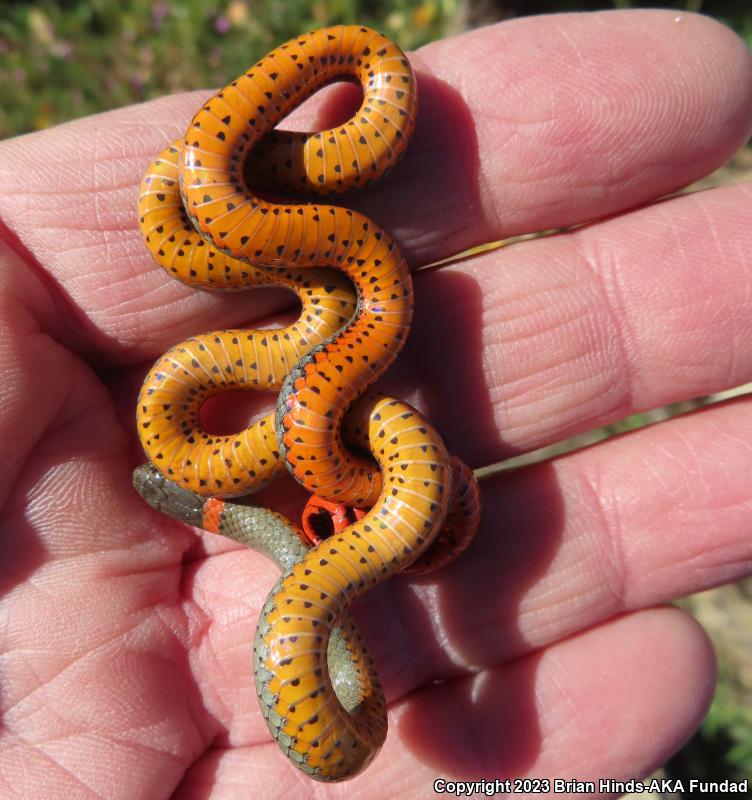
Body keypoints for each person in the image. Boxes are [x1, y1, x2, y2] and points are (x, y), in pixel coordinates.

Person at [0, 9, 750, 797]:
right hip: (346, 430)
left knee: (225, 210)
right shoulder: (233, 263)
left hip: (349, 423)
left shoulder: (276, 260)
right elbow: (351, 746)